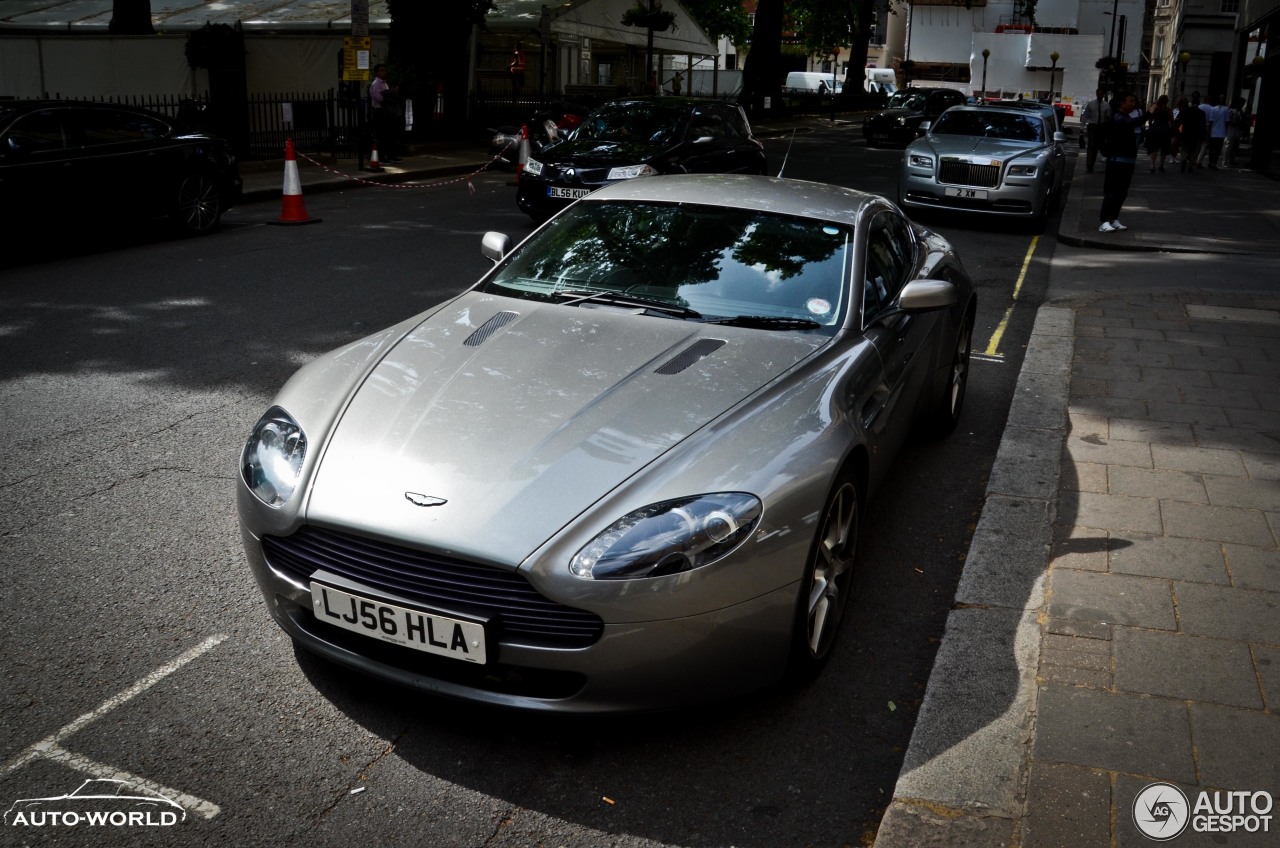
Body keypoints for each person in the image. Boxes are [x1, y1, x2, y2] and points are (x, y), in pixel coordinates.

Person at [1099, 92, 1139, 233]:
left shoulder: (1126, 117)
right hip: (1117, 162)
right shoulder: (1118, 118)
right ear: (1122, 103)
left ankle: (1113, 219)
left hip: (1127, 161)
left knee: (1122, 192)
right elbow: (1133, 123)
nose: (1133, 103)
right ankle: (1103, 222)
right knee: (1112, 192)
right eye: (1131, 100)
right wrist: (1149, 114)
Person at [368, 64, 401, 163]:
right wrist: (390, 94)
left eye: (385, 70)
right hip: (379, 111)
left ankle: (391, 155)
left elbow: (388, 96)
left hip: (387, 111)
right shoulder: (376, 84)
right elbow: (380, 98)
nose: (384, 72)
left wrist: (390, 94)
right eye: (381, 71)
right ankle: (382, 157)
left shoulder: (384, 83)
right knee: (381, 135)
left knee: (390, 134)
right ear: (377, 73)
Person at [1081, 88, 1111, 173]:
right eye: (1099, 94)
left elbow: (1109, 117)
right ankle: (1089, 164)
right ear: (1096, 94)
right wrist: (1082, 127)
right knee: (1091, 146)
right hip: (1092, 126)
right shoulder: (1091, 104)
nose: (1100, 95)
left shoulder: (1106, 105)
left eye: (1102, 94)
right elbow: (1085, 115)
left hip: (1102, 127)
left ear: (1103, 95)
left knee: (1100, 145)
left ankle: (1099, 157)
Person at [1176, 92, 1206, 173]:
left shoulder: (1186, 111)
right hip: (1196, 134)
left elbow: (1181, 123)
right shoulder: (1201, 113)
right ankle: (1190, 166)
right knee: (1193, 150)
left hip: (1186, 133)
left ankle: (1183, 159)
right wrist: (1202, 136)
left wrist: (1180, 132)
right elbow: (1203, 126)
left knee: (1184, 149)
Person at [1144, 94, 1173, 173]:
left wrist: (1150, 126)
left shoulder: (1155, 108)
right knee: (1164, 148)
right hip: (1165, 129)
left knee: (1154, 148)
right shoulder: (1168, 109)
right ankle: (1161, 165)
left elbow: (1150, 118)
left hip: (1155, 128)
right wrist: (1172, 129)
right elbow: (1171, 120)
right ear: (1166, 101)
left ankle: (1152, 165)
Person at [1203, 93, 1228, 169]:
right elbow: (1227, 122)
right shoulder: (1226, 109)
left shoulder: (1214, 109)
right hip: (1221, 132)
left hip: (1214, 132)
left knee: (1212, 148)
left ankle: (1211, 162)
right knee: (1217, 149)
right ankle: (1214, 163)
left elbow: (1211, 121)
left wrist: (1210, 131)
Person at [1224, 96, 1246, 167]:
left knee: (1234, 146)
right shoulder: (1231, 110)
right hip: (1231, 129)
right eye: (1242, 103)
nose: (1243, 105)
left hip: (1236, 130)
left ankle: (1231, 160)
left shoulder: (1239, 111)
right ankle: (1225, 161)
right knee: (1228, 146)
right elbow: (1228, 121)